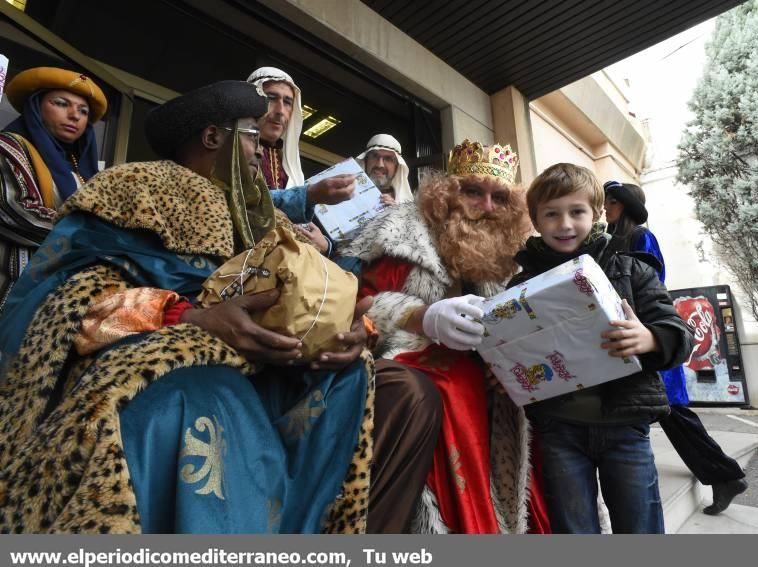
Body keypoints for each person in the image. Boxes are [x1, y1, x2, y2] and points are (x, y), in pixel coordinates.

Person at [0, 80, 440, 533]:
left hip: (274, 365)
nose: (260, 149)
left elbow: (315, 295)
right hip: (165, 359)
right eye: (251, 135)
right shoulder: (132, 187)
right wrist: (188, 319)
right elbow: (66, 300)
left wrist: (353, 334)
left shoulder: (261, 214)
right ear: (214, 138)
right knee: (204, 399)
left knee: (408, 392)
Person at [342, 139, 550, 534]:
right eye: (473, 192)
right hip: (414, 357)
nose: (487, 207)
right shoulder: (403, 230)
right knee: (452, 388)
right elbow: (358, 302)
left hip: (492, 369)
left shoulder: (515, 250)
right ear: (447, 194)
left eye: (499, 197)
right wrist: (421, 316)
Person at [513, 163, 692, 534]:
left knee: (639, 527)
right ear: (535, 220)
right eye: (552, 214)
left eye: (577, 212)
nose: (565, 224)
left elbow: (678, 332)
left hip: (626, 425)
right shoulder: (522, 284)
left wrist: (650, 338)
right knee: (574, 529)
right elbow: (508, 347)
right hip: (559, 428)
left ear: (596, 214)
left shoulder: (631, 269)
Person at [604, 180, 748, 516]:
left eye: (610, 202)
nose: (604, 208)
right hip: (631, 340)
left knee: (676, 415)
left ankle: (726, 475)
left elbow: (651, 284)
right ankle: (723, 475)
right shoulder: (612, 238)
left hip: (652, 339)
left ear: (623, 206)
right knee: (672, 417)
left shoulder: (641, 236)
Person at [0, 66, 107, 309]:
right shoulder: (8, 147)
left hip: (51, 298)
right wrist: (92, 234)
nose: (74, 115)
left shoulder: (81, 169)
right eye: (61, 103)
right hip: (9, 288)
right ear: (36, 107)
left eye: (83, 111)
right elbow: (15, 211)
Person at [246, 67, 352, 257]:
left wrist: (325, 244)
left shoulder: (291, 166)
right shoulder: (232, 152)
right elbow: (245, 200)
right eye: (271, 98)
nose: (280, 111)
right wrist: (309, 195)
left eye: (287, 102)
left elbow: (311, 226)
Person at [355, 133, 413, 206]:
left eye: (388, 159)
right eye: (374, 156)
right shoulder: (344, 195)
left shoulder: (408, 207)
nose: (380, 165)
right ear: (365, 161)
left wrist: (395, 213)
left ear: (397, 167)